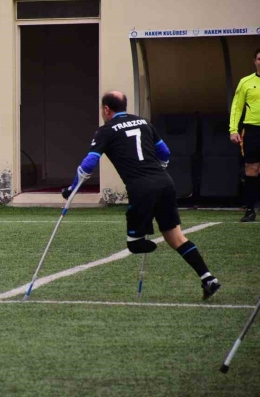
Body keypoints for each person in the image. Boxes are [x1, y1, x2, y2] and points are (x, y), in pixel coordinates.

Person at [63, 91, 221, 300]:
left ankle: (143, 240)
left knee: (134, 244)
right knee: (176, 237)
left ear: (106, 109)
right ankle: (207, 278)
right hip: (165, 183)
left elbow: (89, 163)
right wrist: (159, 170)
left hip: (141, 188)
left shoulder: (105, 130)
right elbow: (165, 152)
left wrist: (72, 189)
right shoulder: (143, 123)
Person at [229, 48, 260, 223]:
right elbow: (237, 107)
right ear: (255, 61)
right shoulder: (246, 82)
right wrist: (233, 129)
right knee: (251, 169)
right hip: (252, 131)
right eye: (259, 59)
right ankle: (250, 210)